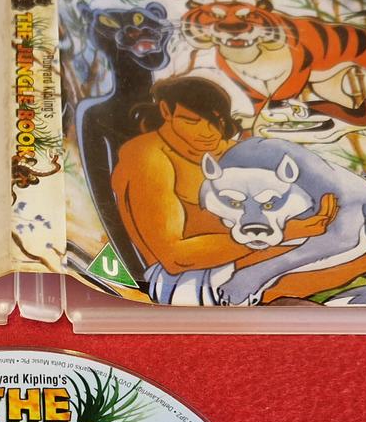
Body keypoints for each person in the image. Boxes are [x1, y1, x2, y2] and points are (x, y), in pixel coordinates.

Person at [110, 76, 336, 303]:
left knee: (347, 253)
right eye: (192, 121)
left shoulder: (226, 149)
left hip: (249, 250)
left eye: (216, 121)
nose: (208, 132)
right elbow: (175, 258)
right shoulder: (147, 157)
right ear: (166, 112)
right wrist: (286, 232)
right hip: (187, 277)